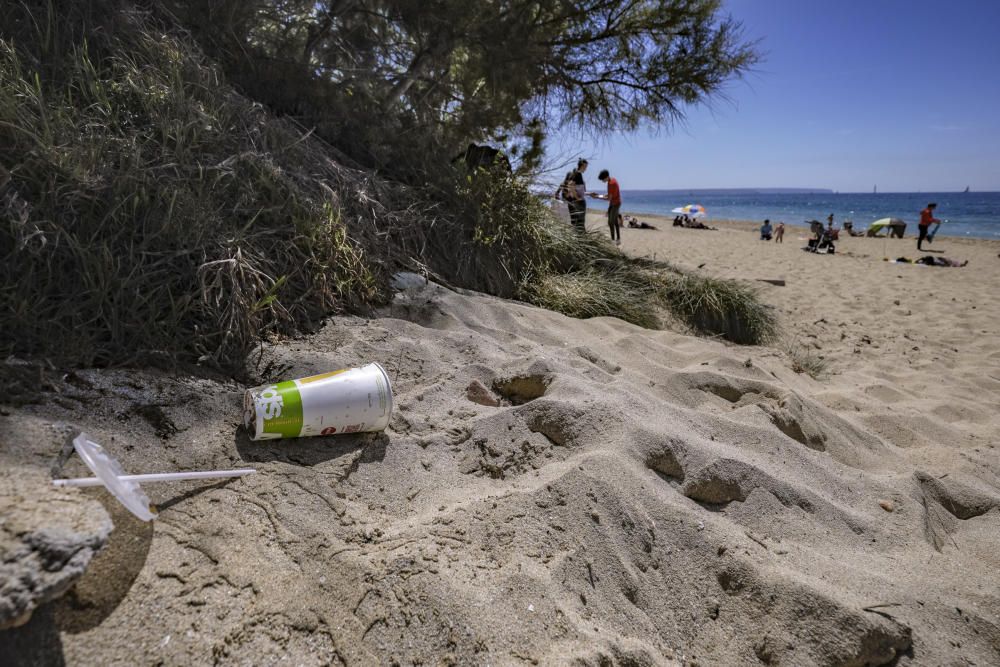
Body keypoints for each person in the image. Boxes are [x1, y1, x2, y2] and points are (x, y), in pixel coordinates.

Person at [590, 169, 622, 245]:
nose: (602, 181)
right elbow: (610, 195)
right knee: (614, 221)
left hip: (615, 204)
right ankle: (618, 239)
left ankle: (613, 240)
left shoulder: (611, 184)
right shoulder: (612, 180)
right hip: (615, 203)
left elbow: (608, 198)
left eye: (602, 179)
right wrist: (599, 195)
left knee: (611, 222)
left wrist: (597, 197)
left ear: (606, 177)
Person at [563, 159, 588, 232]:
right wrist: (577, 198)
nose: (586, 169)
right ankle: (581, 240)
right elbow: (570, 185)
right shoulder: (577, 174)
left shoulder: (577, 174)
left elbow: (576, 189)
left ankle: (578, 239)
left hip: (575, 202)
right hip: (578, 203)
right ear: (582, 166)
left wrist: (588, 194)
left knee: (576, 224)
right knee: (580, 224)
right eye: (586, 167)